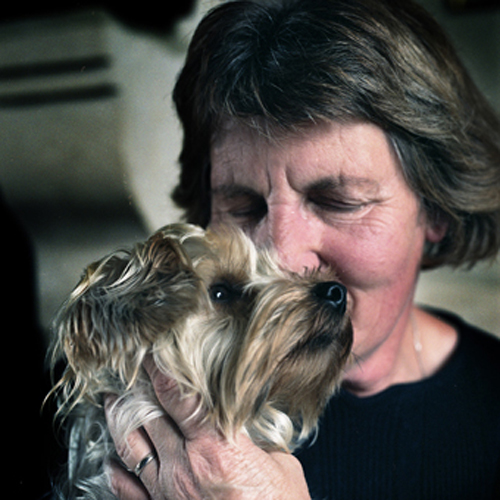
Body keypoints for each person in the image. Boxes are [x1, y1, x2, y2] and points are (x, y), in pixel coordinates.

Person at [104, 0, 500, 498]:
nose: (284, 257)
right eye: (245, 206)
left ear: (438, 210)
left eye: (338, 201)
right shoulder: (128, 403)